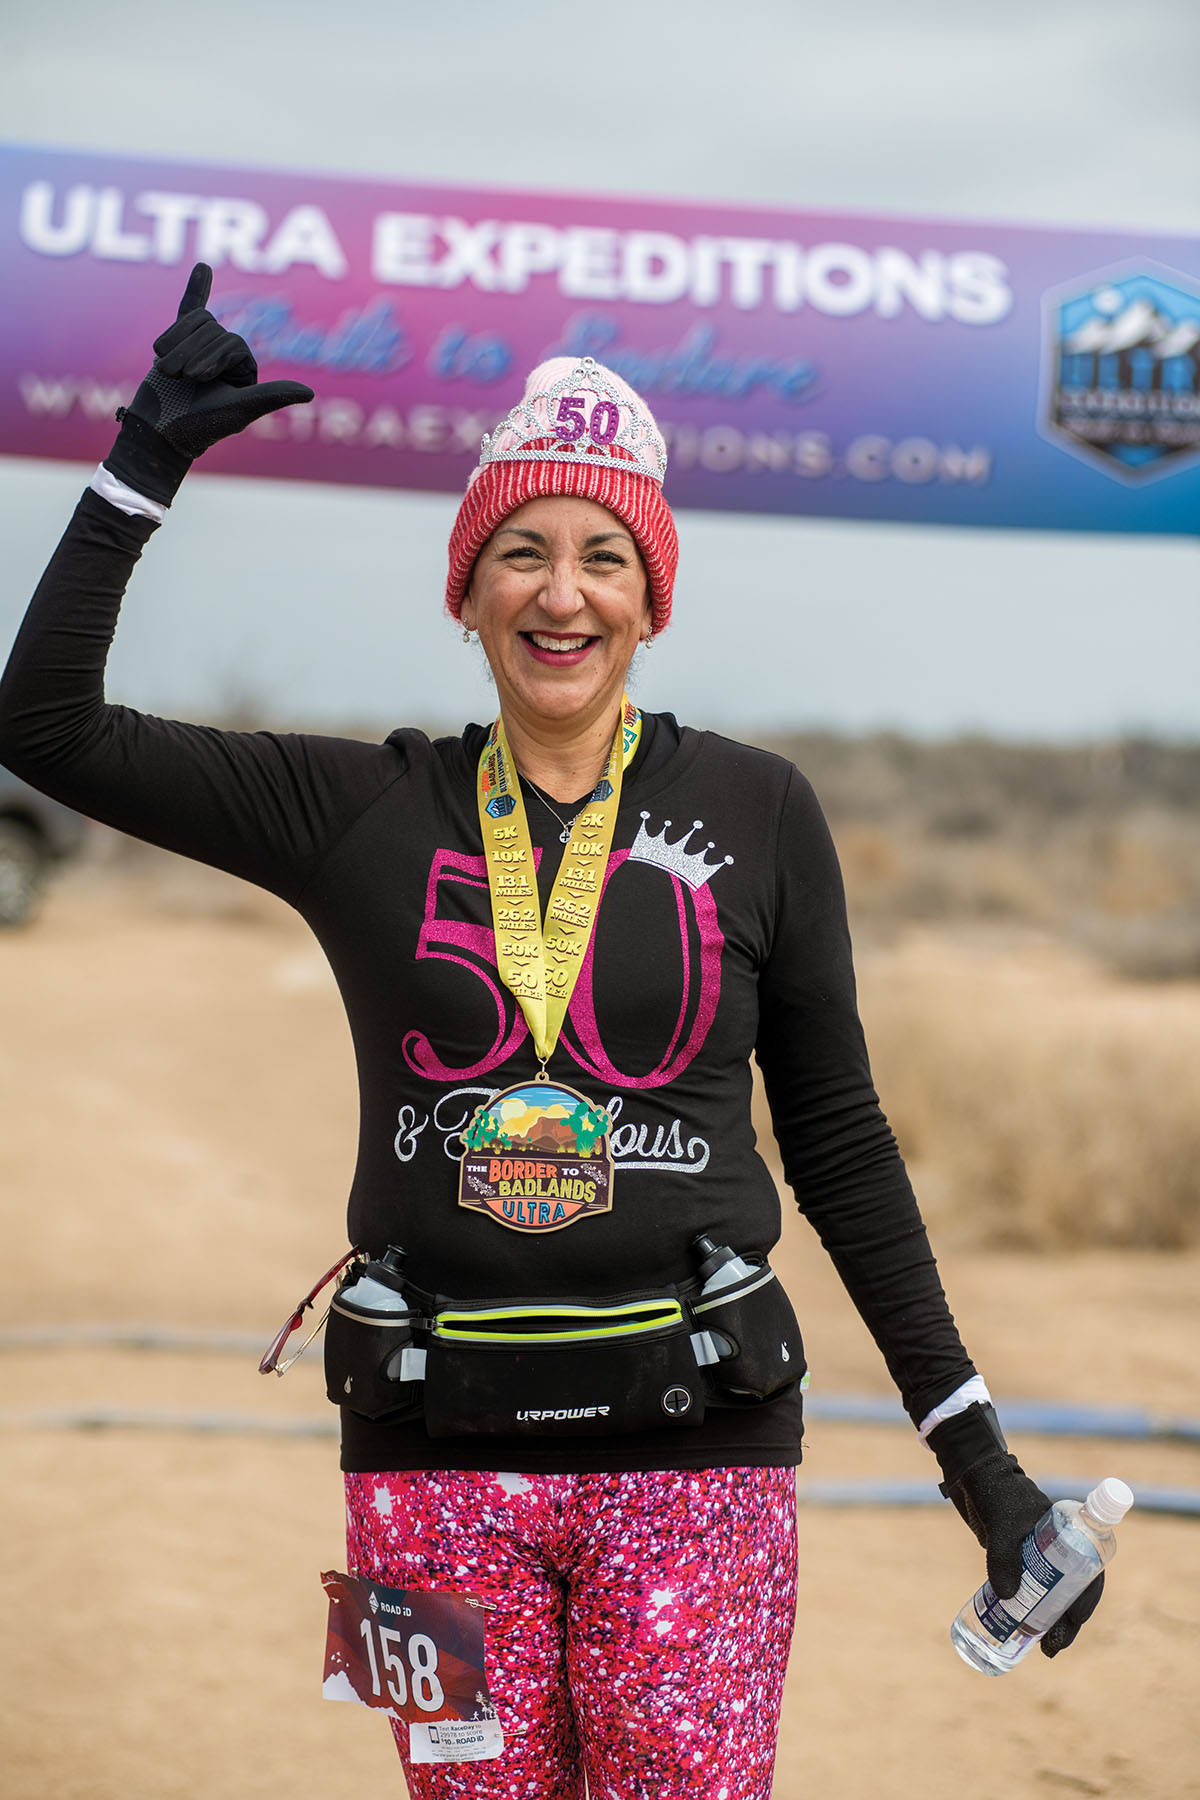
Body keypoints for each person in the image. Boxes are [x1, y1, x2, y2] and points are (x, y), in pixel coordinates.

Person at [0, 265, 1103, 1800]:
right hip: (422, 1472)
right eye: (518, 551)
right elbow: (41, 726)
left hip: (700, 1468)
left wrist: (977, 1456)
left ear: (652, 595)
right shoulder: (364, 810)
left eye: (602, 556)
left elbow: (840, 1146)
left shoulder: (760, 810)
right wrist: (141, 469)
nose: (560, 591)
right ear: (466, 591)